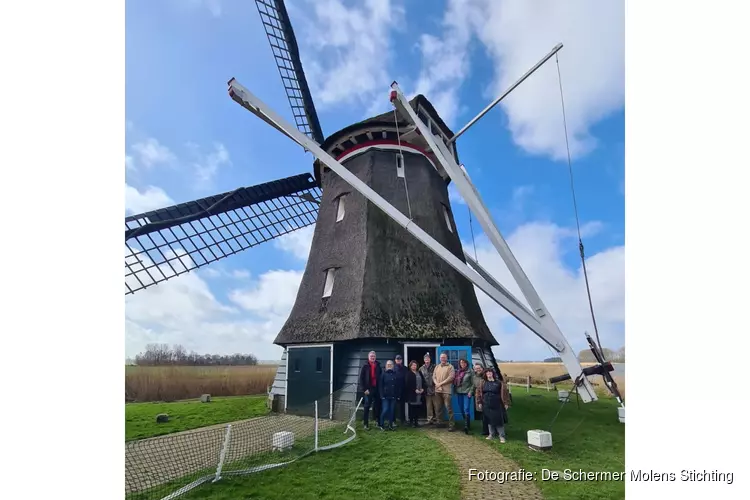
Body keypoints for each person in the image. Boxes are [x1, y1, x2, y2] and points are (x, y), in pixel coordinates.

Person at [477, 369, 511, 443]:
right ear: (485, 374)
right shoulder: (483, 382)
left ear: (492, 374)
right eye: (487, 373)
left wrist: (506, 403)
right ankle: (491, 434)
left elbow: (505, 394)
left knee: (499, 420)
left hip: (497, 403)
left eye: (490, 372)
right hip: (486, 403)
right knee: (489, 420)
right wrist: (479, 402)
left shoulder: (499, 383)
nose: (488, 374)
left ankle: (502, 436)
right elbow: (479, 393)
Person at [358, 350, 382, 430]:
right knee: (367, 406)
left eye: (374, 356)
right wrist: (364, 389)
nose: (373, 357)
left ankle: (377, 421)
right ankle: (366, 423)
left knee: (377, 406)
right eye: (371, 356)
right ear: (368, 357)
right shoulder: (365, 366)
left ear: (375, 357)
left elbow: (380, 377)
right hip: (369, 389)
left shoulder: (378, 365)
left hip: (377, 388)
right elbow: (361, 379)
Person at [433, 352, 456, 431]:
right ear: (440, 358)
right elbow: (434, 377)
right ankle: (440, 423)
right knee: (438, 408)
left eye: (444, 357)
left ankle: (451, 425)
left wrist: (440, 384)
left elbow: (451, 377)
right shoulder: (437, 367)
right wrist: (437, 384)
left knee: (448, 408)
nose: (442, 359)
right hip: (438, 390)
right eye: (441, 357)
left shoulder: (450, 367)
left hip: (446, 391)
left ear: (446, 358)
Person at [379, 360, 401, 430]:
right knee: (385, 410)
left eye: (391, 364)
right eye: (388, 364)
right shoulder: (383, 374)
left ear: (393, 366)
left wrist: (398, 395)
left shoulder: (395, 374)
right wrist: (381, 395)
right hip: (385, 396)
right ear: (386, 366)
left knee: (392, 411)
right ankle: (381, 425)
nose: (389, 365)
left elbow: (398, 386)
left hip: (393, 396)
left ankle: (390, 425)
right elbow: (380, 386)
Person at [454, 358, 474, 434]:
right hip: (459, 392)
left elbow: (473, 383)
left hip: (466, 392)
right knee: (461, 408)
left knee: (466, 409)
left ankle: (467, 426)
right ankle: (466, 424)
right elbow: (455, 382)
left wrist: (470, 392)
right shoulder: (458, 371)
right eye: (461, 362)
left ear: (466, 363)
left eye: (464, 362)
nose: (462, 364)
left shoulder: (470, 371)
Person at [418, 353, 438, 425]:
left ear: (430, 359)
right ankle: (430, 419)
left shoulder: (435, 367)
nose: (427, 360)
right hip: (426, 389)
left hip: (435, 388)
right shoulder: (421, 368)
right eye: (425, 359)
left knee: (436, 405)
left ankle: (438, 419)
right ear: (424, 360)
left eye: (428, 359)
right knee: (428, 405)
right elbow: (419, 379)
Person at [404, 360, 425, 427]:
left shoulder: (419, 373)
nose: (414, 366)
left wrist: (422, 389)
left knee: (417, 408)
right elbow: (407, 384)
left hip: (419, 394)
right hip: (412, 394)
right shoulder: (408, 374)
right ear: (410, 366)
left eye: (415, 365)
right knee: (412, 409)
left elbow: (423, 382)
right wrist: (414, 390)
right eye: (413, 365)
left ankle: (416, 422)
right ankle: (411, 422)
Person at [472, 363, 489, 436]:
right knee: (482, 414)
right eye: (476, 368)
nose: (477, 369)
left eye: (479, 368)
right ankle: (485, 430)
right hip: (478, 396)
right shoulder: (474, 377)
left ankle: (492, 429)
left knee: (488, 413)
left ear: (482, 368)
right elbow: (473, 386)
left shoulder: (486, 375)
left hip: (487, 395)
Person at [392, 354, 408, 426]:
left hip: (403, 389)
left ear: (402, 360)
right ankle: (393, 420)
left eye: (400, 359)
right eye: (397, 359)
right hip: (395, 390)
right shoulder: (392, 368)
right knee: (394, 406)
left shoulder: (405, 368)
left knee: (402, 406)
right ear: (395, 360)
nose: (399, 360)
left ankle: (403, 420)